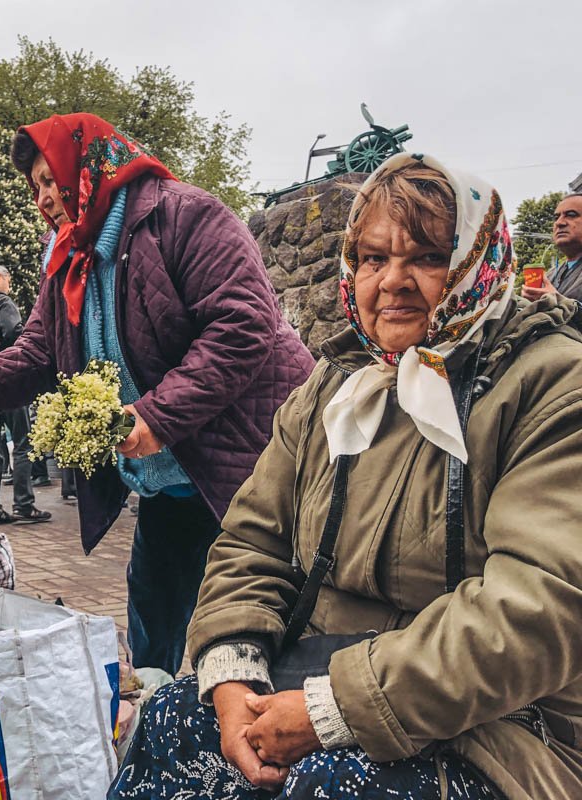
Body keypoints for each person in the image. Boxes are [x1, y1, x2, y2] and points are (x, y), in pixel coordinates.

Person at [112, 154, 582, 800]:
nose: (392, 281)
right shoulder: (338, 383)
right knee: (169, 722)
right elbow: (254, 541)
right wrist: (233, 678)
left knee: (334, 785)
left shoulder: (552, 385)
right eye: (372, 258)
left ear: (478, 261)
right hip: (312, 677)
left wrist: (335, 709)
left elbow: (538, 607)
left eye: (426, 258)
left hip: (499, 722)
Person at [0, 113, 313, 673]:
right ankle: (161, 739)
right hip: (168, 480)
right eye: (34, 187)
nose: (43, 198)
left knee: (251, 641)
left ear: (87, 166)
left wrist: (154, 415)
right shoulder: (68, 252)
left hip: (244, 469)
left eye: (50, 180)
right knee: (153, 636)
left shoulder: (184, 214)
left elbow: (242, 325)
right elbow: (41, 350)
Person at [0, 264, 50, 526]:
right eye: (9, 279)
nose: (10, 284)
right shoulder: (2, 301)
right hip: (5, 381)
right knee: (23, 444)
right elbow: (15, 333)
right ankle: (24, 505)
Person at [522, 192, 582, 303]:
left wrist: (555, 301)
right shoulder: (550, 275)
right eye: (556, 217)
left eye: (571, 215)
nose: (559, 222)